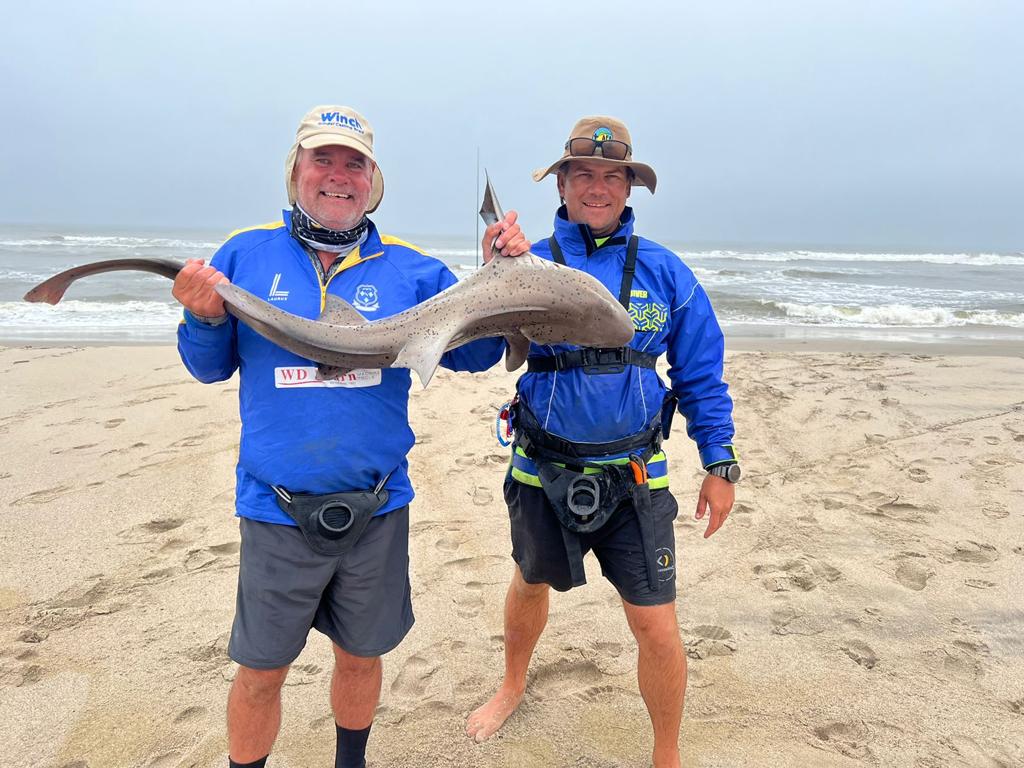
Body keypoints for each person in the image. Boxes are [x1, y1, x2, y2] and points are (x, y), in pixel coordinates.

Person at [173, 105, 528, 768]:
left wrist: (495, 286)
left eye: (354, 163)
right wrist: (201, 318)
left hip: (378, 508)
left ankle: (351, 762)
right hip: (276, 509)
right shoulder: (244, 254)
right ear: (296, 171)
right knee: (260, 671)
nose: (338, 175)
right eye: (322, 159)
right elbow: (207, 365)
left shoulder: (412, 271)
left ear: (374, 181)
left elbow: (477, 359)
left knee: (362, 656)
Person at [466, 116, 739, 768]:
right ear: (561, 182)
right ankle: (512, 683)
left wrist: (719, 459)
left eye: (611, 176)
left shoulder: (667, 273)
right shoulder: (527, 266)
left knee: (655, 623)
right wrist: (490, 276)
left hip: (636, 477)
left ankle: (666, 754)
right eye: (582, 173)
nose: (597, 187)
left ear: (629, 186)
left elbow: (701, 372)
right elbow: (478, 352)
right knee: (530, 582)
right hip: (542, 468)